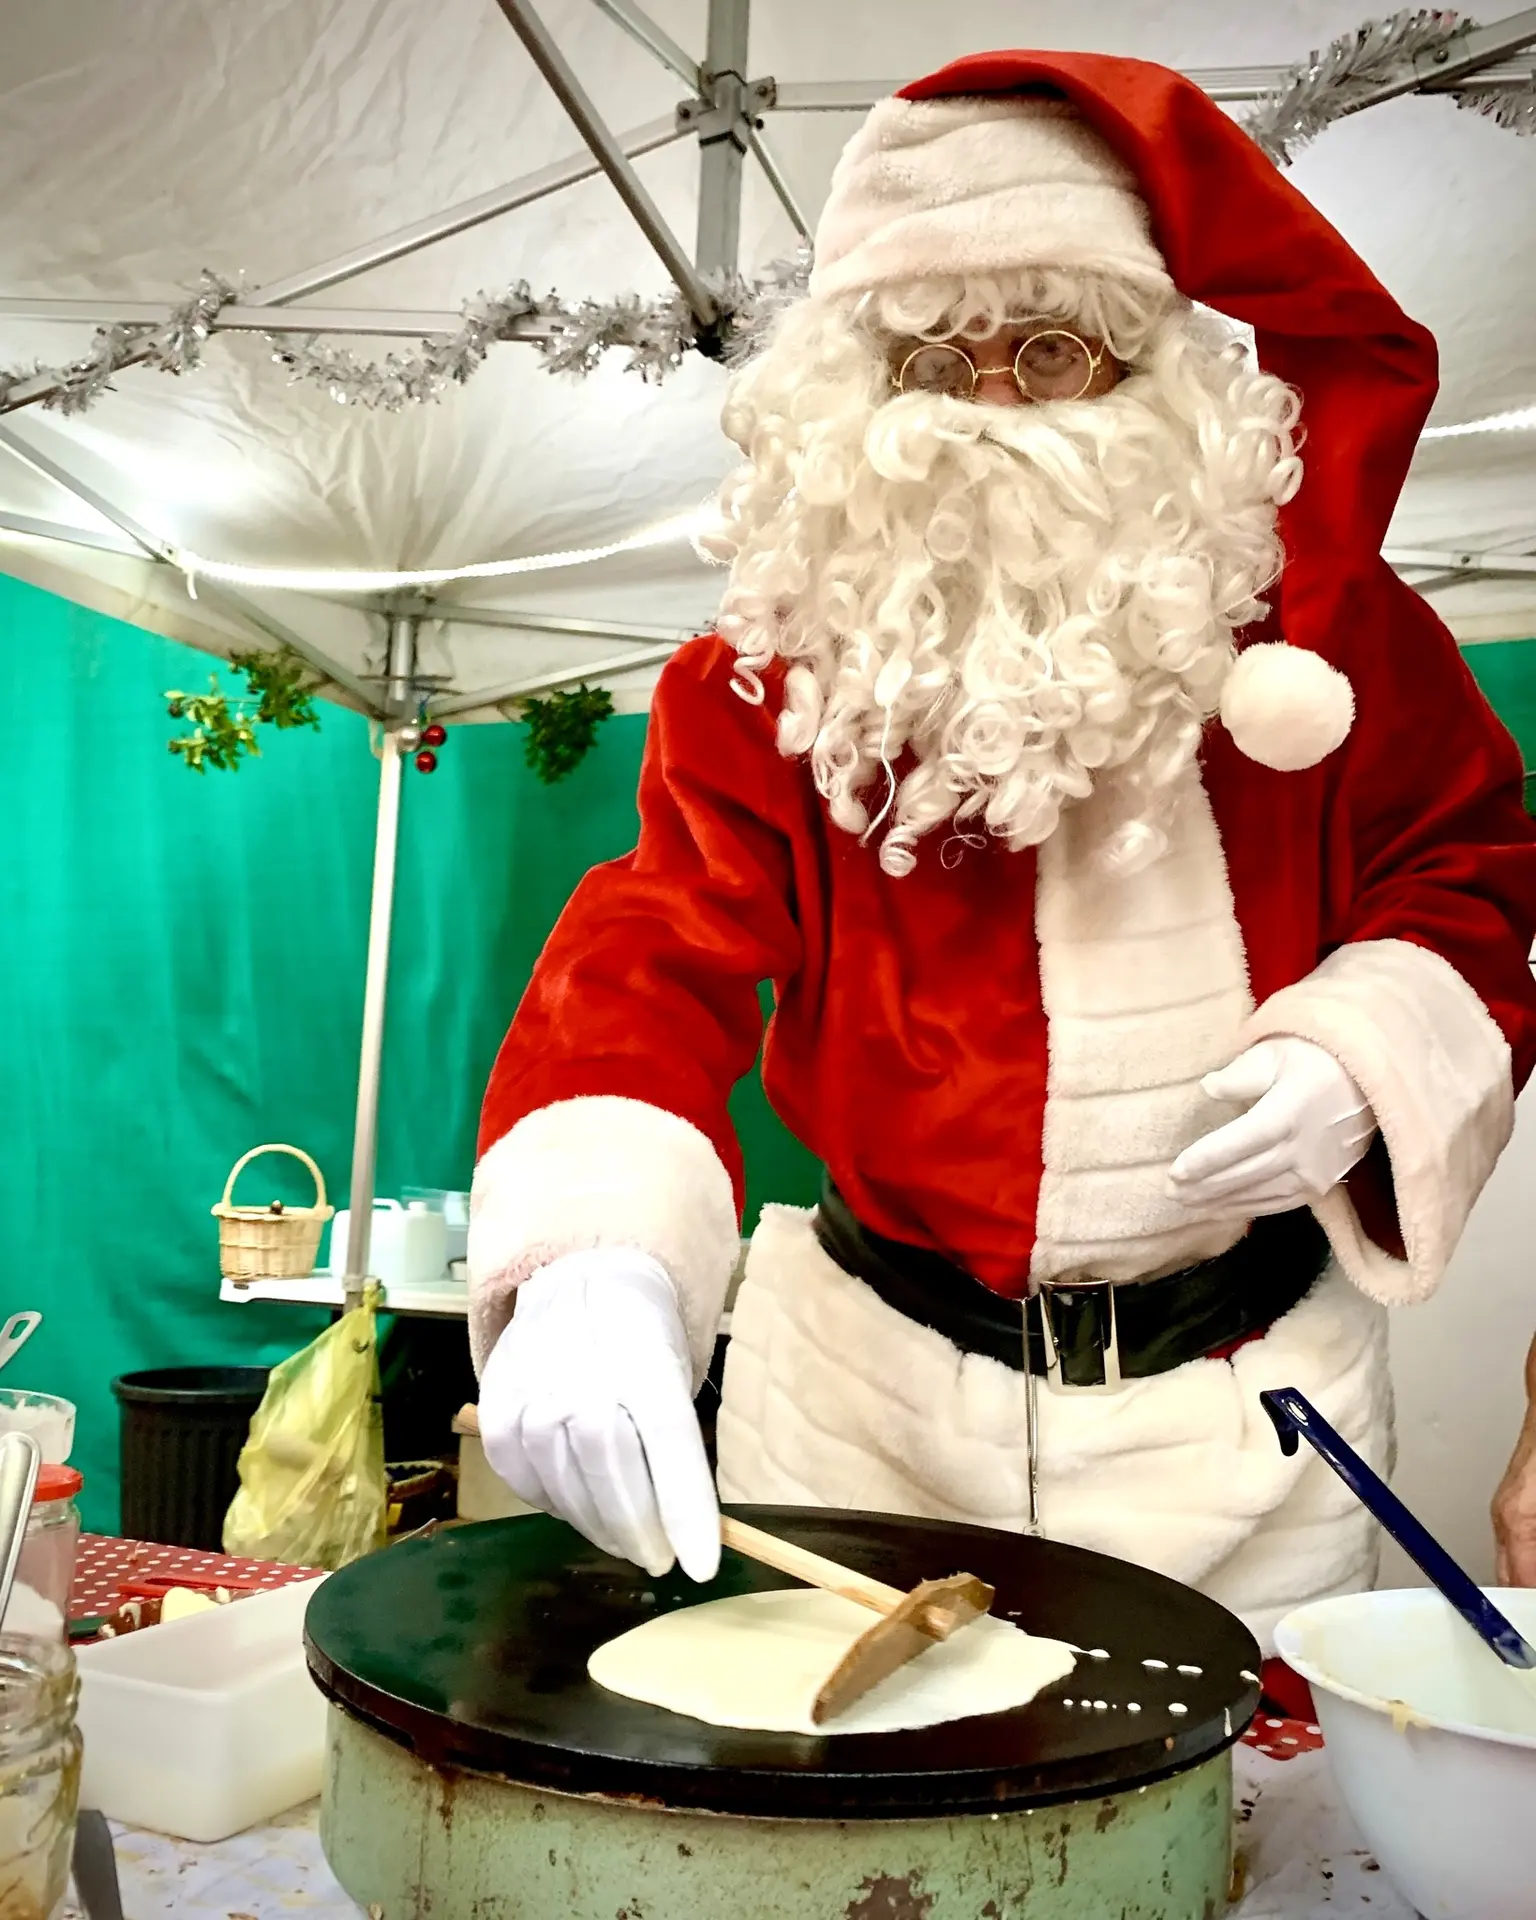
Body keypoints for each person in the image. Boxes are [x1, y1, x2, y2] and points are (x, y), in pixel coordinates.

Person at [467, 49, 1536, 1651]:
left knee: (1247, 1851)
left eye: (1051, 351)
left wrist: (1368, 1044)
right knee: (842, 1855)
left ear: (1158, 370)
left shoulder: (1337, 644)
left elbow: (1475, 872)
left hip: (1244, 1436)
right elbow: (650, 949)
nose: (991, 413)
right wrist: (592, 1259)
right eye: (931, 360)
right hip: (861, 1419)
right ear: (855, 385)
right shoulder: (764, 679)